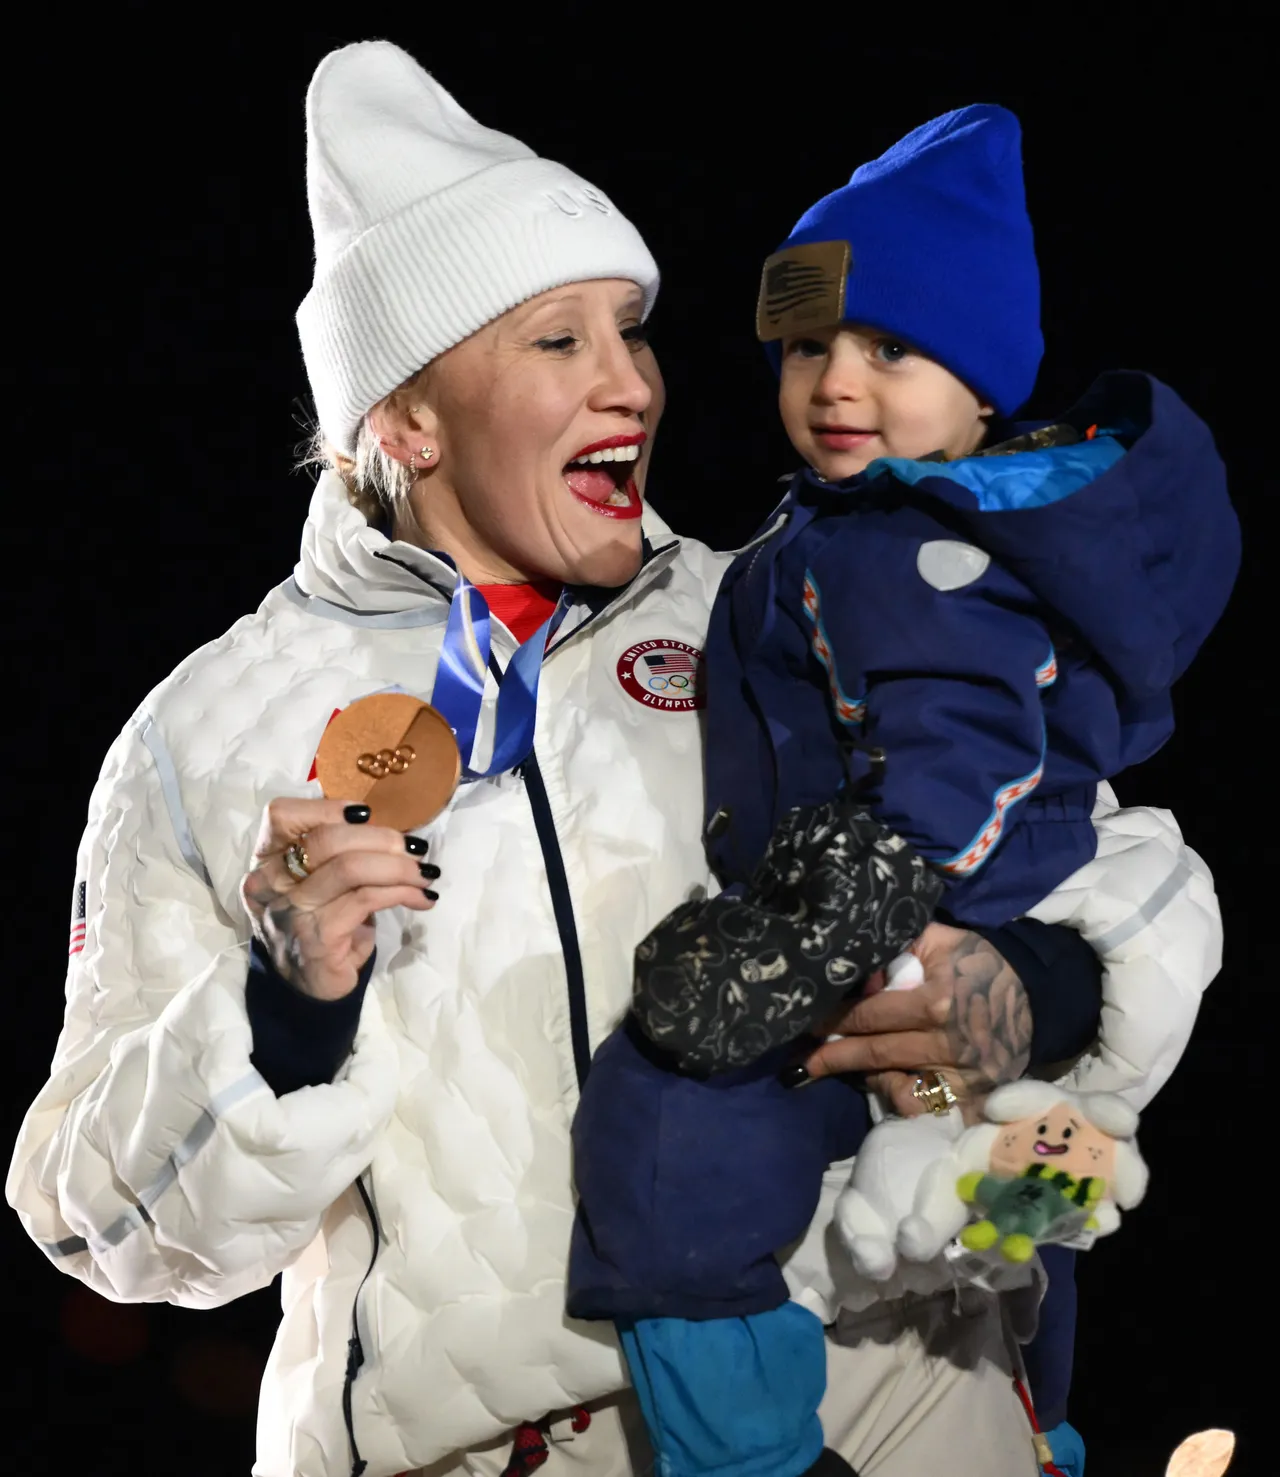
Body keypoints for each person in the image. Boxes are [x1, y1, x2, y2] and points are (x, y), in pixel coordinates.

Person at [5, 44, 1222, 1477]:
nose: (632, 384)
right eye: (556, 341)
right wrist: (292, 1012)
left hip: (904, 1396)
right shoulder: (205, 731)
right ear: (401, 415)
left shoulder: (773, 603)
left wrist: (1026, 993)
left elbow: (1132, 872)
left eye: (631, 330)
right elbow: (102, 1224)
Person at [568, 106, 1237, 1477]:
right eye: (808, 344)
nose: (836, 383)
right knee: (1009, 1185)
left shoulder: (903, 543)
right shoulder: (872, 525)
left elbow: (964, 747)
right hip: (940, 881)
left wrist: (851, 902)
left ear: (984, 385)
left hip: (924, 880)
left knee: (671, 1103)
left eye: (893, 348)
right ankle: (1049, 1423)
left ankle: (746, 1447)